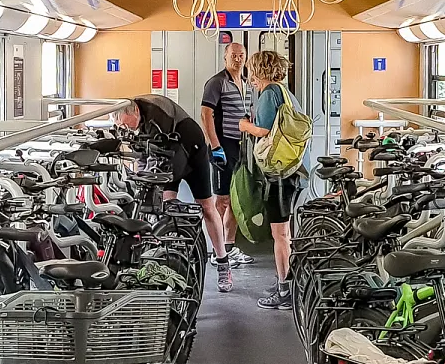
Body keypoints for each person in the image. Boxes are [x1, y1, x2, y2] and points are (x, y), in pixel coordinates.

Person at [112, 96, 232, 289]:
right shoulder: (130, 124)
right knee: (164, 205)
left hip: (190, 148)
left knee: (207, 207)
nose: (127, 130)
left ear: (135, 112)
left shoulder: (156, 113)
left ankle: (222, 262)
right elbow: (141, 157)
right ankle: (172, 248)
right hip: (166, 155)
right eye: (122, 127)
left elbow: (161, 155)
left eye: (128, 125)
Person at [237, 50, 304, 310]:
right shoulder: (286, 93)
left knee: (280, 234)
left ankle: (284, 291)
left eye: (252, 71)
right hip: (293, 169)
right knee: (285, 232)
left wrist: (245, 126)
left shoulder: (268, 94)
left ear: (259, 71)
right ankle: (283, 280)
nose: (250, 77)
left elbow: (263, 130)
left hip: (278, 174)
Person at [200, 39, 254, 290]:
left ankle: (229, 247)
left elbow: (248, 115)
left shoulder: (247, 84)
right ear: (225, 57)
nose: (237, 59)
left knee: (236, 198)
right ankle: (217, 250)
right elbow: (206, 114)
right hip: (223, 146)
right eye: (233, 55)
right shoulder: (217, 82)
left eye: (241, 55)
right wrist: (215, 146)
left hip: (242, 146)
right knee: (222, 201)